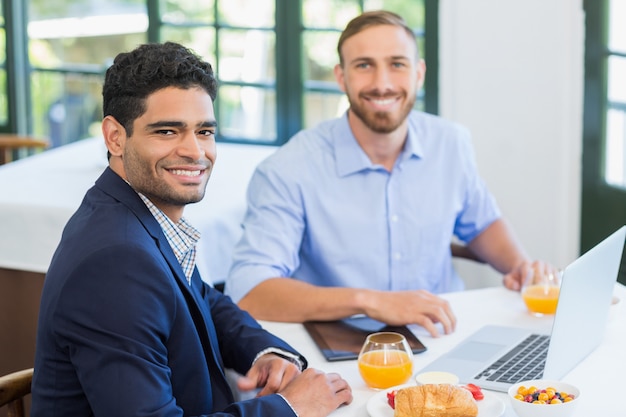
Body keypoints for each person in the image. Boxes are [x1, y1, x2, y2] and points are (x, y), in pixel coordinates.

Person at [31, 42, 352, 417]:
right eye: (167, 131)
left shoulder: (136, 214)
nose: (195, 151)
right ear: (115, 137)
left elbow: (199, 299)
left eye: (204, 131)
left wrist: (265, 351)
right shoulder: (116, 261)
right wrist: (291, 407)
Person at [225, 10, 542, 338]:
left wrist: (522, 268)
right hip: (344, 346)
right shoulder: (287, 169)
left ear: (418, 73)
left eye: (397, 64)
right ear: (341, 77)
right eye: (364, 65)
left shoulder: (451, 143)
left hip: (443, 333)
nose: (382, 84)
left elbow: (482, 223)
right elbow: (250, 292)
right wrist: (368, 302)